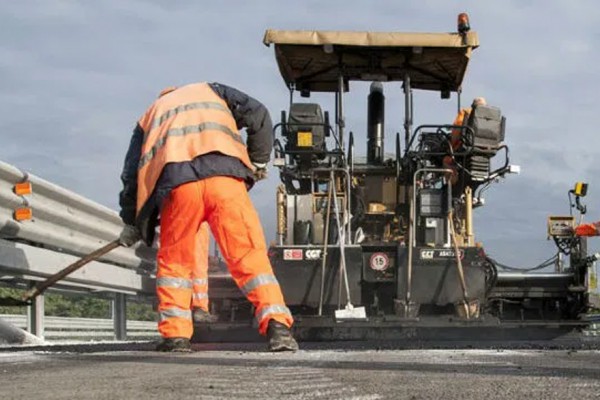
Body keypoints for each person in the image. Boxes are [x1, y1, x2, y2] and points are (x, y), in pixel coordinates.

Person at [118, 82, 298, 352]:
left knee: (175, 261)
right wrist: (258, 161)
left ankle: (176, 337)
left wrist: (131, 219)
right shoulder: (213, 91)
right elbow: (258, 114)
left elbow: (131, 174)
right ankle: (278, 328)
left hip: (179, 187)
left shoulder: (151, 114)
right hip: (226, 180)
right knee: (250, 256)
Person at [443, 97, 487, 184]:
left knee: (446, 160)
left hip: (466, 149)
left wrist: (450, 146)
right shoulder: (489, 116)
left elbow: (456, 132)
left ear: (473, 106)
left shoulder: (466, 112)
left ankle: (452, 188)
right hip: (485, 150)